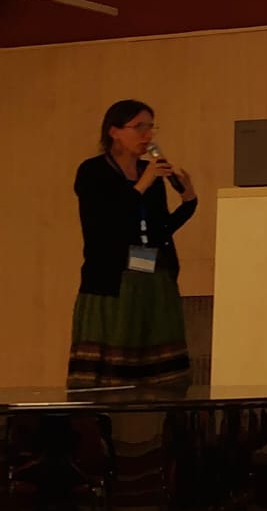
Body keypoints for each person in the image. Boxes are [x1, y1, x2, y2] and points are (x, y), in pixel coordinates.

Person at [68, 100, 199, 388]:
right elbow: (106, 223)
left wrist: (189, 200)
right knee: (112, 374)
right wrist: (141, 185)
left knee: (162, 376)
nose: (147, 135)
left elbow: (161, 228)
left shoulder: (148, 172)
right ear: (114, 131)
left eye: (151, 127)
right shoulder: (93, 171)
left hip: (154, 276)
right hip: (112, 280)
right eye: (139, 127)